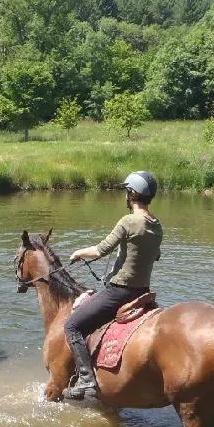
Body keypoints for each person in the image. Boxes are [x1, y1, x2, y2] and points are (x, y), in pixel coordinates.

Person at [62, 171, 163, 400]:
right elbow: (155, 255)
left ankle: (86, 379)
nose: (125, 195)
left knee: (72, 326)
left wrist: (78, 253)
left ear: (132, 194)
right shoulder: (157, 225)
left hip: (120, 291)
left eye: (127, 191)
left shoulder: (128, 221)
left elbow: (101, 250)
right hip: (143, 292)